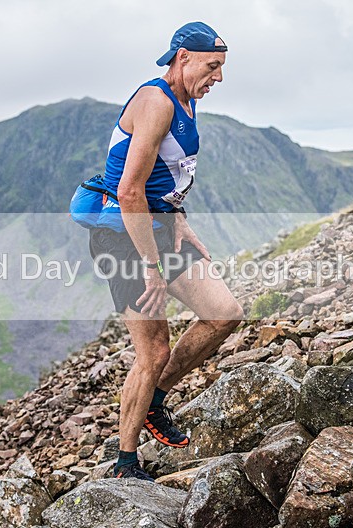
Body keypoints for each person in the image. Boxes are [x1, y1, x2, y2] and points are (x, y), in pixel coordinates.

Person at [88, 21, 243, 482]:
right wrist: (151, 268)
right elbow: (130, 191)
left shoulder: (187, 102)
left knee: (225, 313)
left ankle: (154, 400)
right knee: (153, 351)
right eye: (212, 67)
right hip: (124, 235)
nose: (218, 78)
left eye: (221, 68)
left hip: (160, 227)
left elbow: (166, 180)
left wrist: (182, 223)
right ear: (183, 58)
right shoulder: (155, 101)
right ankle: (125, 463)